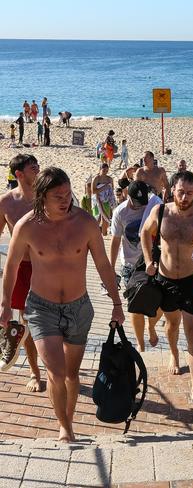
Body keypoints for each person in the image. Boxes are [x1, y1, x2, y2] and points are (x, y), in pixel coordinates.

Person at [0, 167, 124, 442]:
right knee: (55, 371)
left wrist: (116, 303)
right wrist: (5, 304)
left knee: (71, 374)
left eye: (68, 193)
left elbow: (103, 265)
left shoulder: (85, 223)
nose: (65, 200)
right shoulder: (27, 226)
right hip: (41, 308)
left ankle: (67, 418)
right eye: (58, 196)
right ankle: (65, 427)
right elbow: (11, 267)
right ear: (42, 196)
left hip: (79, 307)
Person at [141, 171, 193, 407]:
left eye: (190, 193)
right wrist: (149, 260)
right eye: (181, 192)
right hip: (165, 278)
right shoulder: (161, 211)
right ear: (172, 190)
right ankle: (173, 354)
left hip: (192, 280)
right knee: (172, 324)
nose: (185, 197)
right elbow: (144, 233)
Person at [0, 155, 43, 391]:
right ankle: (35, 373)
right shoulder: (6, 203)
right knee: (26, 322)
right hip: (21, 269)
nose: (37, 168)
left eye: (37, 165)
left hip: (47, 266)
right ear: (19, 174)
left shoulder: (47, 197)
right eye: (32, 166)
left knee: (52, 320)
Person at [110, 181, 161, 352]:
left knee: (160, 304)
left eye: (143, 202)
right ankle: (140, 341)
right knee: (135, 306)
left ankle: (151, 326)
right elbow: (115, 241)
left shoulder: (152, 205)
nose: (140, 206)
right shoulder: (120, 212)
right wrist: (111, 267)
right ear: (128, 196)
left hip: (153, 261)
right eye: (137, 203)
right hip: (130, 265)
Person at [92, 163, 116, 236]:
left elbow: (112, 190)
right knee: (97, 219)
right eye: (103, 169)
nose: (105, 171)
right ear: (100, 169)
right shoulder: (96, 178)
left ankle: (104, 235)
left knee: (105, 220)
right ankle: (94, 235)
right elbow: (93, 191)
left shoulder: (109, 179)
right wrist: (104, 187)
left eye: (106, 169)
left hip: (106, 200)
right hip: (97, 200)